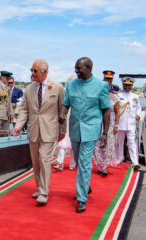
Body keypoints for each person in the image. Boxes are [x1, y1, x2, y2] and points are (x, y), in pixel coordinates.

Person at [59, 57, 110, 213]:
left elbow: (106, 110)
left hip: (91, 129)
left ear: (89, 68)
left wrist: (105, 132)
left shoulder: (101, 86)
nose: (76, 71)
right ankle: (86, 186)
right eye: (75, 68)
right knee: (80, 161)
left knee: (85, 161)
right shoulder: (72, 84)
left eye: (79, 68)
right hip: (75, 129)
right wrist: (62, 114)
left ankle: (81, 198)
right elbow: (66, 103)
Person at [12, 59, 66, 205]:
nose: (32, 73)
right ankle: (39, 186)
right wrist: (18, 126)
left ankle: (44, 192)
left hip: (50, 130)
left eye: (35, 70)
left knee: (44, 159)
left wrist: (63, 131)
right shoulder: (29, 88)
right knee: (36, 162)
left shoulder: (57, 87)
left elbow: (63, 111)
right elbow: (24, 110)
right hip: (33, 130)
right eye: (31, 70)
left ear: (44, 71)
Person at [93, 74, 121, 176]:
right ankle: (99, 166)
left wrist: (117, 126)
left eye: (109, 80)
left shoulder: (115, 97)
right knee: (97, 144)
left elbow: (117, 112)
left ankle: (105, 167)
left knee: (107, 145)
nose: (107, 82)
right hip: (98, 121)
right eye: (105, 80)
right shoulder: (97, 96)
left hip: (110, 122)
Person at [115, 77, 141, 170]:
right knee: (119, 142)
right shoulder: (118, 95)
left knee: (132, 143)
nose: (127, 87)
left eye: (129, 85)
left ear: (132, 86)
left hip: (131, 123)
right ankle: (119, 158)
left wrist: (138, 115)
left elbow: (139, 108)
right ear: (123, 85)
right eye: (125, 85)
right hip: (121, 122)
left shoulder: (135, 96)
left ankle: (135, 162)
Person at [53, 75, 77, 171]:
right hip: (64, 122)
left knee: (74, 144)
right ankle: (60, 163)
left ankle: (72, 164)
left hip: (75, 123)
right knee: (62, 142)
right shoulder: (63, 93)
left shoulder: (79, 94)